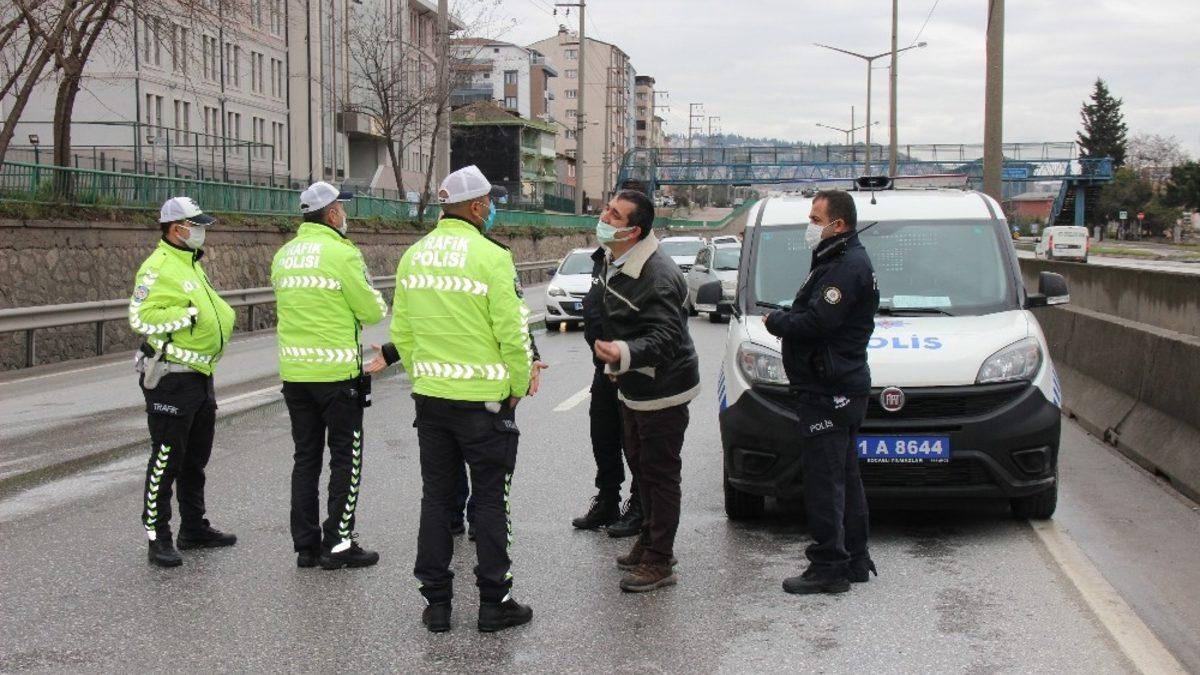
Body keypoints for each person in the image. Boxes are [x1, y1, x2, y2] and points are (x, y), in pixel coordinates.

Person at [386, 165, 537, 633]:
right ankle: (495, 602)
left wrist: (425, 376)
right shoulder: (492, 257)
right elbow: (513, 332)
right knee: (490, 502)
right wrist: (516, 385)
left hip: (432, 400)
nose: (491, 209)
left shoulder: (413, 256)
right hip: (485, 404)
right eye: (489, 202)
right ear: (475, 206)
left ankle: (436, 605)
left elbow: (402, 333)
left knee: (436, 500)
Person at [762, 189, 879, 595]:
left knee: (825, 482)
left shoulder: (845, 267)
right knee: (844, 475)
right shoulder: (836, 259)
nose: (810, 226)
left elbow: (818, 323)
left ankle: (829, 565)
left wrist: (777, 322)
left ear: (838, 225)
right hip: (838, 383)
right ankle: (856, 558)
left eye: (816, 219)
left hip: (829, 389)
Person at [271, 181, 389, 571]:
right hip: (337, 377)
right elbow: (373, 310)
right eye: (342, 208)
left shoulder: (284, 256)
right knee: (345, 459)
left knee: (305, 459)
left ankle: (306, 547)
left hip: (295, 375)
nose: (345, 214)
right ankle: (338, 543)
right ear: (332, 213)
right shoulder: (343, 254)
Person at [592, 189, 700, 593]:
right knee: (641, 466)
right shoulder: (617, 257)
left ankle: (659, 559)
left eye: (614, 215)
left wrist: (623, 352)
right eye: (607, 209)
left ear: (633, 231)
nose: (604, 217)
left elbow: (666, 338)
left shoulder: (657, 274)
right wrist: (618, 362)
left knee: (659, 474)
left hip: (663, 389)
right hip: (634, 384)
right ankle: (650, 538)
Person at [129, 197, 237, 567]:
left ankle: (193, 527)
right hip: (171, 379)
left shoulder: (189, 263)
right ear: (178, 229)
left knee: (195, 459)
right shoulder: (157, 267)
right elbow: (141, 317)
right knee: (166, 459)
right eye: (196, 225)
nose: (202, 231)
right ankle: (157, 536)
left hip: (200, 376)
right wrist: (188, 315)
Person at [570, 245, 642, 537]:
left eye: (612, 221)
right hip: (604, 368)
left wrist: (621, 358)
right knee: (603, 437)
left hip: (632, 368)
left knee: (635, 442)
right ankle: (608, 500)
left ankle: (640, 506)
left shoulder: (643, 262)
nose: (605, 224)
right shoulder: (602, 260)